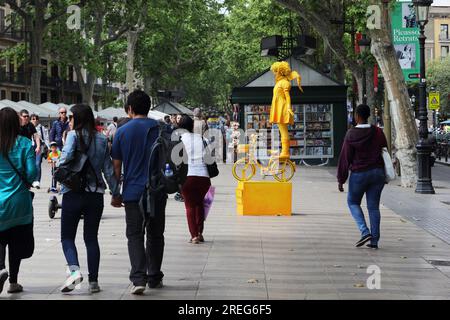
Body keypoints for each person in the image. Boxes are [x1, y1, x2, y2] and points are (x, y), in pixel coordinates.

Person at [58, 104, 120, 294]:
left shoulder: (72, 136)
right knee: (91, 238)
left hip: (72, 193)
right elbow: (108, 170)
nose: (69, 120)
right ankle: (94, 282)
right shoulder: (102, 139)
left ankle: (75, 271)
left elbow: (64, 159)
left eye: (71, 117)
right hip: (95, 195)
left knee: (67, 237)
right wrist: (116, 193)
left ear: (77, 118)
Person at [111, 90, 167, 295]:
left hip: (132, 192)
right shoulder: (161, 128)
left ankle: (138, 278)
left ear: (130, 109)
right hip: (157, 190)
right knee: (155, 234)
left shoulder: (122, 131)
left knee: (134, 234)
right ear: (148, 107)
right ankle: (154, 276)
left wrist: (115, 193)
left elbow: (116, 168)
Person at [337, 104, 388, 249]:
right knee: (373, 207)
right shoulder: (378, 132)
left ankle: (364, 231)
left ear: (357, 116)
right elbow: (385, 149)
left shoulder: (351, 134)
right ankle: (374, 240)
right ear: (368, 116)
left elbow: (345, 157)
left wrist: (341, 179)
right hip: (377, 173)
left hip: (359, 173)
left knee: (353, 202)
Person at [0, 107, 36, 294]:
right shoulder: (24, 143)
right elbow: (32, 173)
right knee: (16, 242)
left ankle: (0, 269)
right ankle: (13, 282)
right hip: (19, 202)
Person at [178, 115, 211, 244]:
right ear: (192, 126)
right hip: (204, 177)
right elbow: (210, 158)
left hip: (187, 177)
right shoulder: (203, 139)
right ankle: (200, 232)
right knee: (200, 204)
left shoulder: (179, 140)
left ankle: (194, 235)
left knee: (190, 206)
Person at [30, 114, 49, 189]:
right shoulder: (28, 127)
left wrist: (48, 147)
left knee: (37, 164)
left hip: (40, 146)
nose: (34, 120)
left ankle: (37, 181)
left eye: (36, 119)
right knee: (31, 164)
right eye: (33, 119)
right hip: (30, 146)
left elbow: (46, 138)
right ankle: (32, 181)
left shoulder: (42, 128)